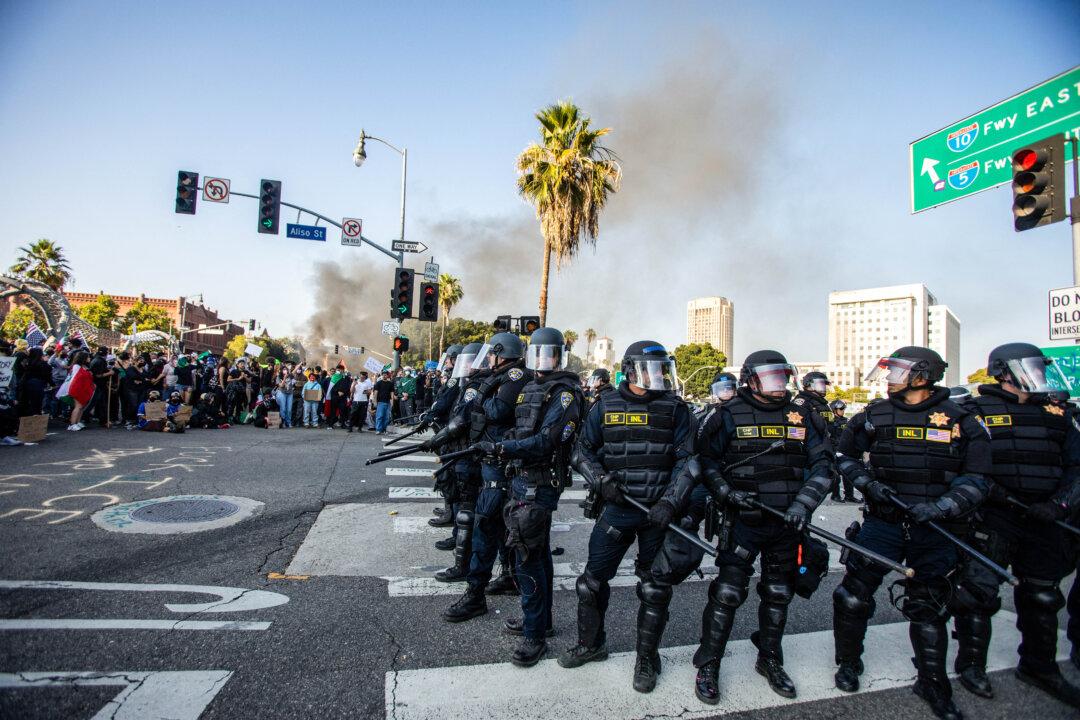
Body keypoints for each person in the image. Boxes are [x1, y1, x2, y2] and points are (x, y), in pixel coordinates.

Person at [664, 350, 834, 703]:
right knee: (726, 594)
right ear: (751, 380)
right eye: (772, 377)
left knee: (778, 594)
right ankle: (708, 664)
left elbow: (823, 466)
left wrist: (804, 504)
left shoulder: (804, 415)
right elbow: (706, 461)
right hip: (742, 521)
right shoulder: (727, 415)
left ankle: (770, 658)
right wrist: (725, 492)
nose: (780, 385)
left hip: (788, 522)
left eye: (783, 377)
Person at [832, 346, 991, 720]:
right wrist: (869, 485)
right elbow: (845, 457)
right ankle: (848, 662)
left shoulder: (962, 418)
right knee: (853, 596)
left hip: (936, 527)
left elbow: (979, 478)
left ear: (921, 375)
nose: (888, 379)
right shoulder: (874, 414)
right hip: (882, 522)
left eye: (896, 372)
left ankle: (932, 680)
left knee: (930, 605)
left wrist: (943, 507)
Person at [559, 341, 694, 694]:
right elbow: (581, 451)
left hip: (658, 514)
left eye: (662, 369)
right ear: (631, 371)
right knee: (590, 583)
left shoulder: (676, 409)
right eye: (650, 370)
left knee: (654, 589)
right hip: (618, 509)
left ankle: (646, 658)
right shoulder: (604, 404)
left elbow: (688, 461)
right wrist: (600, 481)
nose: (657, 376)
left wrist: (670, 501)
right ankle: (592, 644)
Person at [950, 343, 1080, 707]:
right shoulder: (974, 413)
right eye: (1030, 367)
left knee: (1042, 595)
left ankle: (1039, 666)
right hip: (993, 516)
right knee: (977, 593)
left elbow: (1076, 467)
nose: (1038, 374)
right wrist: (988, 492)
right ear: (1003, 372)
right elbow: (958, 465)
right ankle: (971, 665)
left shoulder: (1058, 414)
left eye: (1040, 368)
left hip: (1046, 519)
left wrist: (1060, 505)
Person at [490, 328, 585, 667]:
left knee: (527, 555)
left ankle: (535, 636)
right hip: (521, 476)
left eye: (550, 354)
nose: (543, 360)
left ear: (561, 356)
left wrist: (503, 447)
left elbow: (547, 441)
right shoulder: (531, 386)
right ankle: (539, 622)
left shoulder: (565, 394)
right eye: (538, 353)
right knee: (537, 553)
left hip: (540, 481)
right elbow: (520, 427)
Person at [442, 333, 533, 621]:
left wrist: (481, 398)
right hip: (494, 459)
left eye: (491, 355)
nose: (487, 361)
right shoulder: (502, 376)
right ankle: (506, 577)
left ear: (499, 353)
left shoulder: (514, 375)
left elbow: (498, 410)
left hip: (501, 462)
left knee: (486, 527)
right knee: (502, 529)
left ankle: (476, 594)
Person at [419, 342, 489, 582]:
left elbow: (460, 420)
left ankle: (465, 562)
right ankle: (459, 538)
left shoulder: (475, 385)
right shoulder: (466, 382)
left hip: (467, 451)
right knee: (460, 498)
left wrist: (435, 439)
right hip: (460, 447)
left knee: (466, 505)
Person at [426, 346, 464, 531]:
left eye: (449, 358)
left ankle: (451, 514)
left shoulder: (457, 379)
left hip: (451, 432)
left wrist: (431, 413)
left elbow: (444, 402)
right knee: (446, 472)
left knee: (449, 474)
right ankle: (449, 510)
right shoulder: (453, 377)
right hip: (446, 430)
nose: (446, 361)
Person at [828, 399, 856, 501]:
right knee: (836, 475)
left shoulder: (846, 421)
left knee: (848, 474)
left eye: (843, 408)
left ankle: (849, 496)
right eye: (841, 408)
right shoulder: (829, 422)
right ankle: (835, 495)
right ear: (834, 410)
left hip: (844, 451)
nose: (843, 410)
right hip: (833, 450)